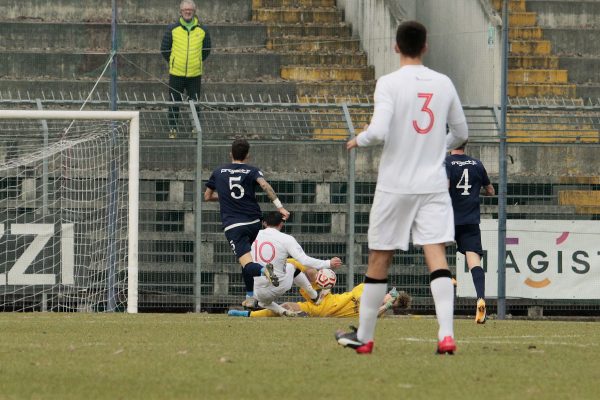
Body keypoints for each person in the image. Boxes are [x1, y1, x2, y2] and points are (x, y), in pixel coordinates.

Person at [335, 20, 469, 355]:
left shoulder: (389, 83)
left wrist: (359, 138)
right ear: (426, 46)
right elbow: (461, 132)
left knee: (380, 257)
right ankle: (446, 335)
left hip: (395, 185)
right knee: (436, 254)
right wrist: (438, 146)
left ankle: (364, 338)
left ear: (396, 47)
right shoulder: (444, 82)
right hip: (432, 184)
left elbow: (379, 131)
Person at [205, 138, 290, 308]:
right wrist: (280, 207)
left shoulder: (218, 171)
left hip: (234, 226)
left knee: (248, 263)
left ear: (231, 153)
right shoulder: (252, 170)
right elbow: (265, 186)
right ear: (247, 156)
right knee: (247, 260)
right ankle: (250, 296)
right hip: (254, 223)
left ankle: (264, 270)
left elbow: (207, 196)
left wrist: (225, 197)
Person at [228, 260, 411, 318]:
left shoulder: (377, 309)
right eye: (389, 292)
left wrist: (386, 306)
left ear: (392, 303)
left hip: (322, 307)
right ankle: (245, 313)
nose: (387, 293)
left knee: (285, 307)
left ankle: (275, 271)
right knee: (310, 274)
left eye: (390, 296)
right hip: (324, 300)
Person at [245, 212, 343, 316]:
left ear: (264, 223)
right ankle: (314, 296)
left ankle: (263, 305)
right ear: (281, 224)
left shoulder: (251, 236)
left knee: (262, 296)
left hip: (256, 290)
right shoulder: (286, 239)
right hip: (278, 285)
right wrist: (328, 263)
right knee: (292, 265)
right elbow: (304, 260)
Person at [445, 143, 495, 324]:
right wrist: (476, 189)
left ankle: (447, 277)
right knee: (474, 260)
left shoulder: (447, 162)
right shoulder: (477, 164)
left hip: (449, 219)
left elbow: (445, 186)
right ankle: (480, 298)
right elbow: (490, 191)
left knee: (435, 249)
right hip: (471, 220)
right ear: (465, 145)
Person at [160, 0, 211, 138]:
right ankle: (173, 129)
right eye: (185, 10)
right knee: (173, 103)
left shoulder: (203, 30)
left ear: (194, 12)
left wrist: (196, 62)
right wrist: (175, 62)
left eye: (190, 10)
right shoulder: (172, 29)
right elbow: (165, 49)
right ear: (180, 11)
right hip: (176, 73)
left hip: (195, 74)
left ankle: (195, 129)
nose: (188, 12)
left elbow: (206, 50)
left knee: (194, 103)